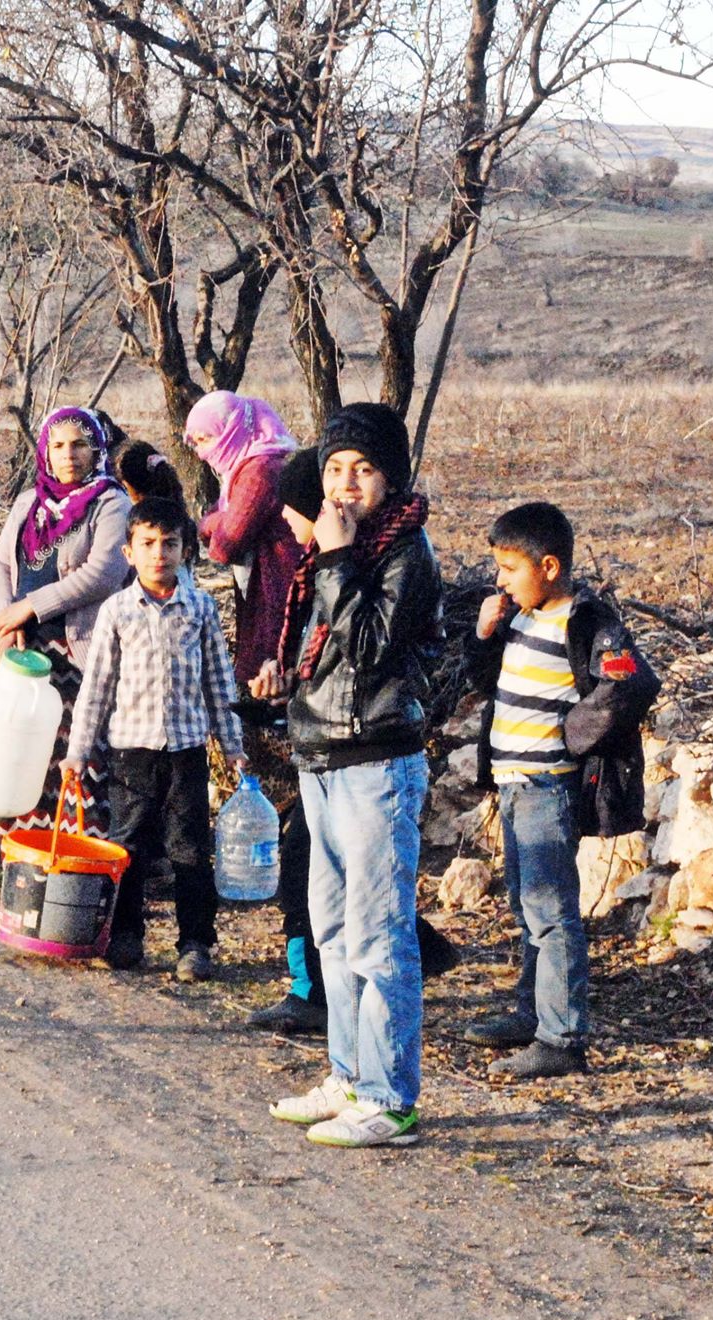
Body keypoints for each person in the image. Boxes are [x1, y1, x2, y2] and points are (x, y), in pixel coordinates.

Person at [252, 402, 440, 1149]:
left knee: (378, 936)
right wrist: (283, 677)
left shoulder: (404, 555)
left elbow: (368, 651)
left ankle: (390, 1098)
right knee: (331, 932)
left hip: (377, 763)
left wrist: (333, 560)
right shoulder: (341, 556)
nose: (345, 484)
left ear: (390, 479)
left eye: (363, 469)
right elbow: (327, 652)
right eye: (335, 469)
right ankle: (349, 1078)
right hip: (323, 755)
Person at [460, 501, 660, 1079]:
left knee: (551, 913)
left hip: (549, 786)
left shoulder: (589, 623)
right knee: (528, 909)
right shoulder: (521, 617)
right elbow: (487, 682)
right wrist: (483, 635)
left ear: (549, 566)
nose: (499, 580)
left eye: (508, 568)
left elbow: (631, 684)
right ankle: (532, 1015)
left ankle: (563, 1037)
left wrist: (575, 733)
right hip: (514, 785)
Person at [62, 498, 245, 978]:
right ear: (128, 552)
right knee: (129, 847)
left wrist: (233, 746)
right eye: (147, 544)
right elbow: (97, 687)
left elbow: (218, 683)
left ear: (186, 550)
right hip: (130, 753)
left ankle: (195, 944)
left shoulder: (200, 607)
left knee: (188, 847)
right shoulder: (117, 611)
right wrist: (78, 751)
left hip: (186, 752)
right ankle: (125, 936)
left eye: (170, 543)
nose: (159, 553)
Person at [0, 408, 133, 840]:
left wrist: (29, 607)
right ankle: (28, 853)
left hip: (78, 651)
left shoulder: (111, 502)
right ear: (46, 453)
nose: (69, 454)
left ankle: (80, 862)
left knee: (78, 756)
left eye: (80, 444)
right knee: (25, 753)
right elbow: (0, 563)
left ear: (96, 450)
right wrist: (6, 620)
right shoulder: (29, 503)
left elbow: (103, 572)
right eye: (59, 445)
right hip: (27, 651)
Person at [186, 391, 303, 688]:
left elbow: (227, 543)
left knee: (271, 662)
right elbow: (226, 516)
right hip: (264, 576)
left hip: (275, 578)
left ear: (232, 432)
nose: (201, 452)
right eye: (197, 442)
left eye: (207, 439)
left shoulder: (259, 471)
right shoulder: (244, 466)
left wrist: (208, 522)